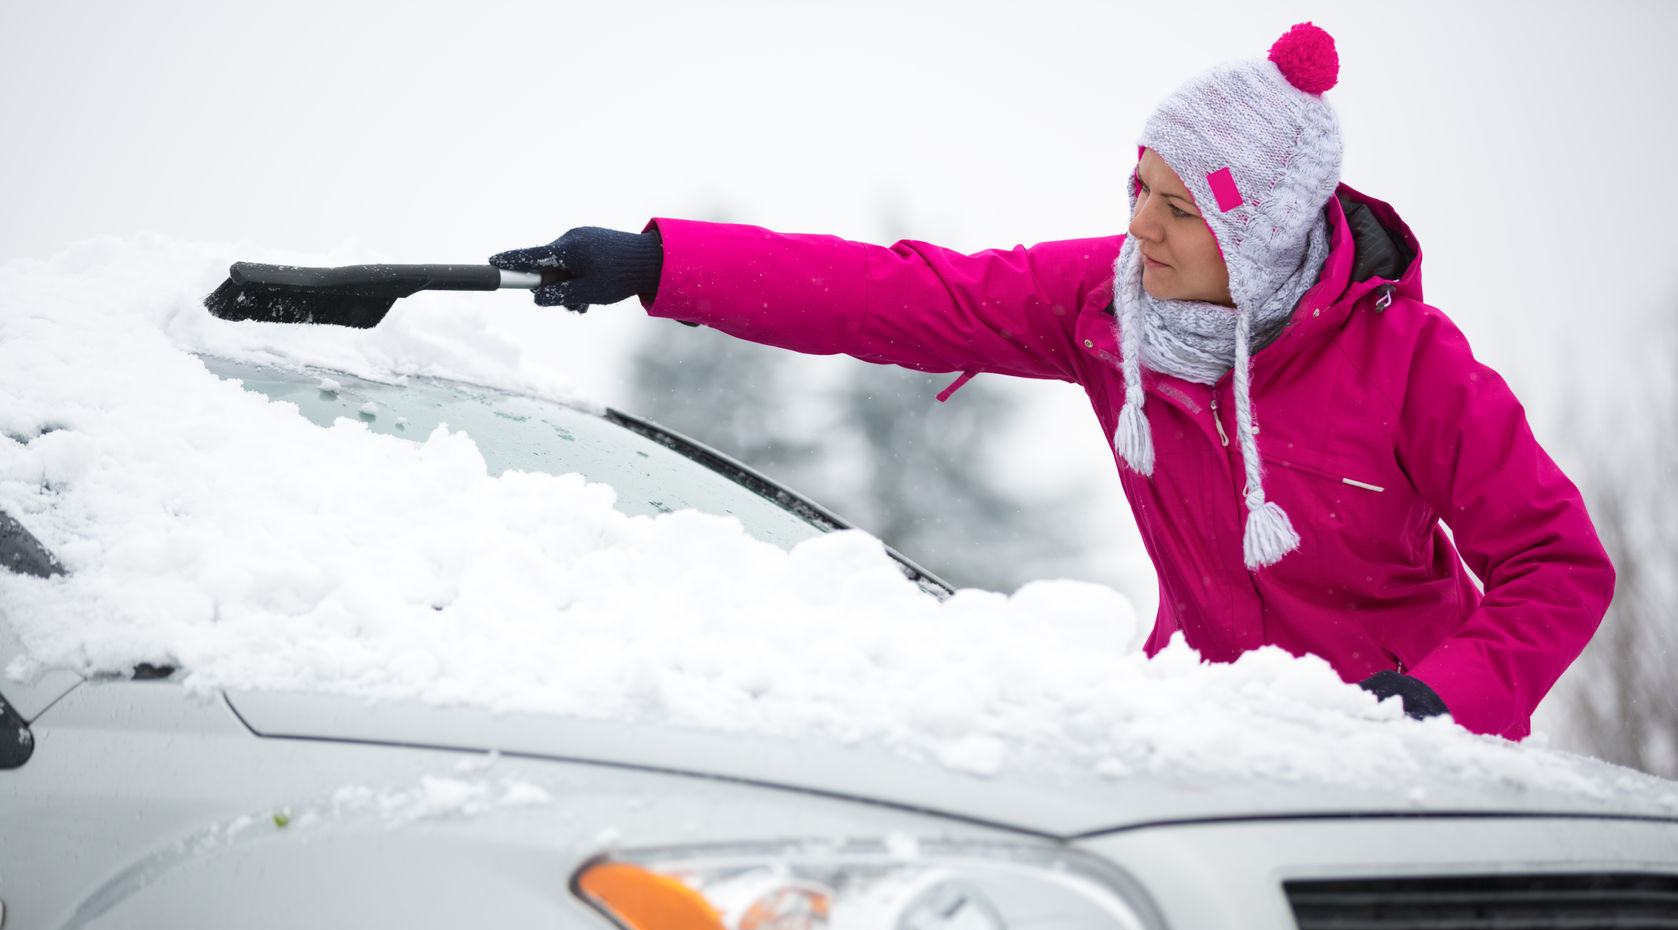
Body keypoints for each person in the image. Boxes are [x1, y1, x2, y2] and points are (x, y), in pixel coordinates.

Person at [490, 23, 1614, 741]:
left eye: (1180, 209)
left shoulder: (1409, 364)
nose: (1139, 228)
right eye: (1137, 187)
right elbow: (891, 295)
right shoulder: (1105, 305)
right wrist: (659, 264)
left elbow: (1557, 566)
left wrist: (1436, 705)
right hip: (1214, 741)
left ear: (1262, 235)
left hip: (1408, 756)